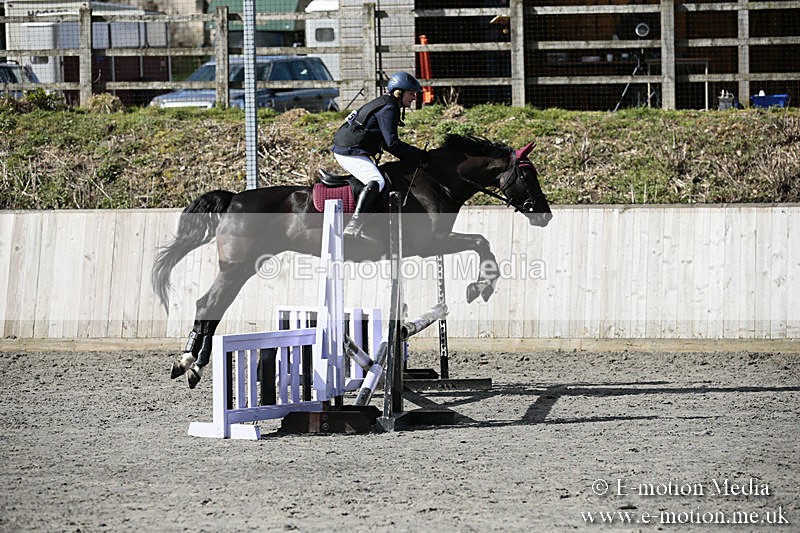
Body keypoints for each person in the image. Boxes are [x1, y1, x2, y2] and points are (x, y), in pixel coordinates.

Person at [331, 71, 426, 240]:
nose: (414, 98)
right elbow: (392, 144)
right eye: (411, 94)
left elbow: (387, 142)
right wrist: (418, 154)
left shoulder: (388, 103)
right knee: (376, 180)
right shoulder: (389, 107)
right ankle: (355, 224)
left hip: (352, 147)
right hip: (349, 151)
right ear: (399, 92)